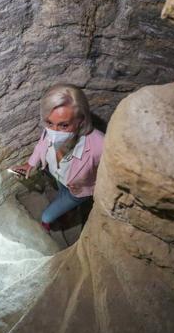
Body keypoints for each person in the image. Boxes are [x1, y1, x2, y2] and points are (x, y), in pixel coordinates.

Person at [10, 83, 104, 232]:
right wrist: (30, 164)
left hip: (78, 191)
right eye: (49, 123)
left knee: (47, 217)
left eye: (64, 125)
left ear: (81, 120)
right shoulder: (50, 131)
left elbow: (113, 176)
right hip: (59, 178)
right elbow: (42, 143)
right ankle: (69, 210)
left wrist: (94, 191)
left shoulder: (100, 145)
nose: (54, 132)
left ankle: (64, 213)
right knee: (62, 192)